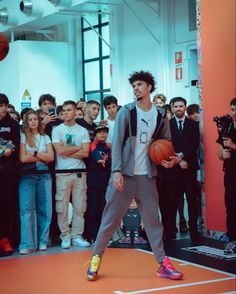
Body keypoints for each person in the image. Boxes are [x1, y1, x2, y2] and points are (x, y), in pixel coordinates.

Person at [86, 71, 183, 281]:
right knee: (110, 220)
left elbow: (165, 143)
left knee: (153, 221)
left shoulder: (159, 114)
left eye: (140, 85)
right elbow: (118, 143)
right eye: (134, 85)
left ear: (149, 87)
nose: (136, 88)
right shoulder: (126, 112)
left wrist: (171, 158)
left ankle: (162, 264)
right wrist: (116, 171)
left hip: (147, 176)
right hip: (125, 175)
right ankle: (95, 259)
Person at [160, 97, 201, 241]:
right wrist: (178, 160)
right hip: (172, 168)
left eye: (181, 106)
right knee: (172, 200)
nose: (178, 109)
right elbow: (165, 145)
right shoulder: (167, 125)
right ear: (171, 108)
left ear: (185, 107)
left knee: (191, 199)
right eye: (175, 106)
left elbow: (194, 144)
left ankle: (194, 230)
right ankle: (171, 231)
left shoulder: (193, 124)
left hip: (189, 167)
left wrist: (182, 157)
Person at [52, 100, 91, 249]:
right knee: (61, 206)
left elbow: (86, 152)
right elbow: (60, 151)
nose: (66, 112)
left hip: (80, 172)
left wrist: (68, 150)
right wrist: (76, 148)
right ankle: (65, 235)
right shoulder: (57, 130)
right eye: (64, 110)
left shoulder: (82, 131)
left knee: (80, 206)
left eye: (69, 110)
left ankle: (77, 235)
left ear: (75, 112)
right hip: (62, 173)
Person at [19, 110, 54, 254]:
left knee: (45, 209)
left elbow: (51, 157)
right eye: (30, 119)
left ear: (39, 121)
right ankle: (27, 244)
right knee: (27, 209)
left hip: (44, 174)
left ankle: (43, 241)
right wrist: (41, 156)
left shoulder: (45, 137)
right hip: (27, 175)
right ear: (26, 122)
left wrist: (33, 154)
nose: (33, 121)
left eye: (35, 119)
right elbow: (23, 158)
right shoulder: (23, 136)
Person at [0, 94, 20, 256]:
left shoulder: (12, 124)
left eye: (5, 106)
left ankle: (5, 238)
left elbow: (14, 144)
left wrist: (6, 149)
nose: (3, 109)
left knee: (7, 205)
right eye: (0, 106)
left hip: (8, 171)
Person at [85, 125, 111, 243]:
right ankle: (92, 235)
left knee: (103, 210)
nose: (102, 134)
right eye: (100, 132)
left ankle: (103, 236)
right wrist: (99, 159)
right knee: (93, 209)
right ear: (95, 134)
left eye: (104, 132)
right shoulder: (92, 145)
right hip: (93, 183)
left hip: (105, 183)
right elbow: (94, 153)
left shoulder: (108, 147)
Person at [216, 97, 236, 254]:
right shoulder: (227, 128)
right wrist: (222, 153)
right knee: (230, 204)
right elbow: (219, 152)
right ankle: (232, 237)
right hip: (230, 173)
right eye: (233, 110)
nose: (234, 113)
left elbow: (231, 145)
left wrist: (233, 145)